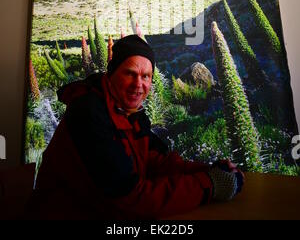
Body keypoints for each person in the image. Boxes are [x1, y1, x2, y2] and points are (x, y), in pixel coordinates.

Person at [29, 35, 244, 220]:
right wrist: (209, 185)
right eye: (130, 74)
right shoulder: (89, 114)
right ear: (111, 74)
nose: (138, 85)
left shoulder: (129, 113)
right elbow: (131, 198)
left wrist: (208, 169)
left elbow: (156, 162)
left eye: (146, 77)